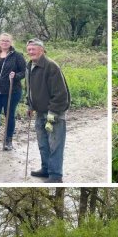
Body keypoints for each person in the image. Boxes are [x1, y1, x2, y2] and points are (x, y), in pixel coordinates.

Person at [26, 39, 70, 183]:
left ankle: (56, 175)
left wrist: (53, 112)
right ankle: (46, 169)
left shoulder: (51, 66)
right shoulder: (30, 66)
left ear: (42, 50)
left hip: (54, 113)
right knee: (43, 143)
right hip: (39, 112)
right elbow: (30, 89)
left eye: (34, 49)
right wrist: (30, 105)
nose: (31, 52)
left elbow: (61, 94)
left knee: (55, 144)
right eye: (29, 49)